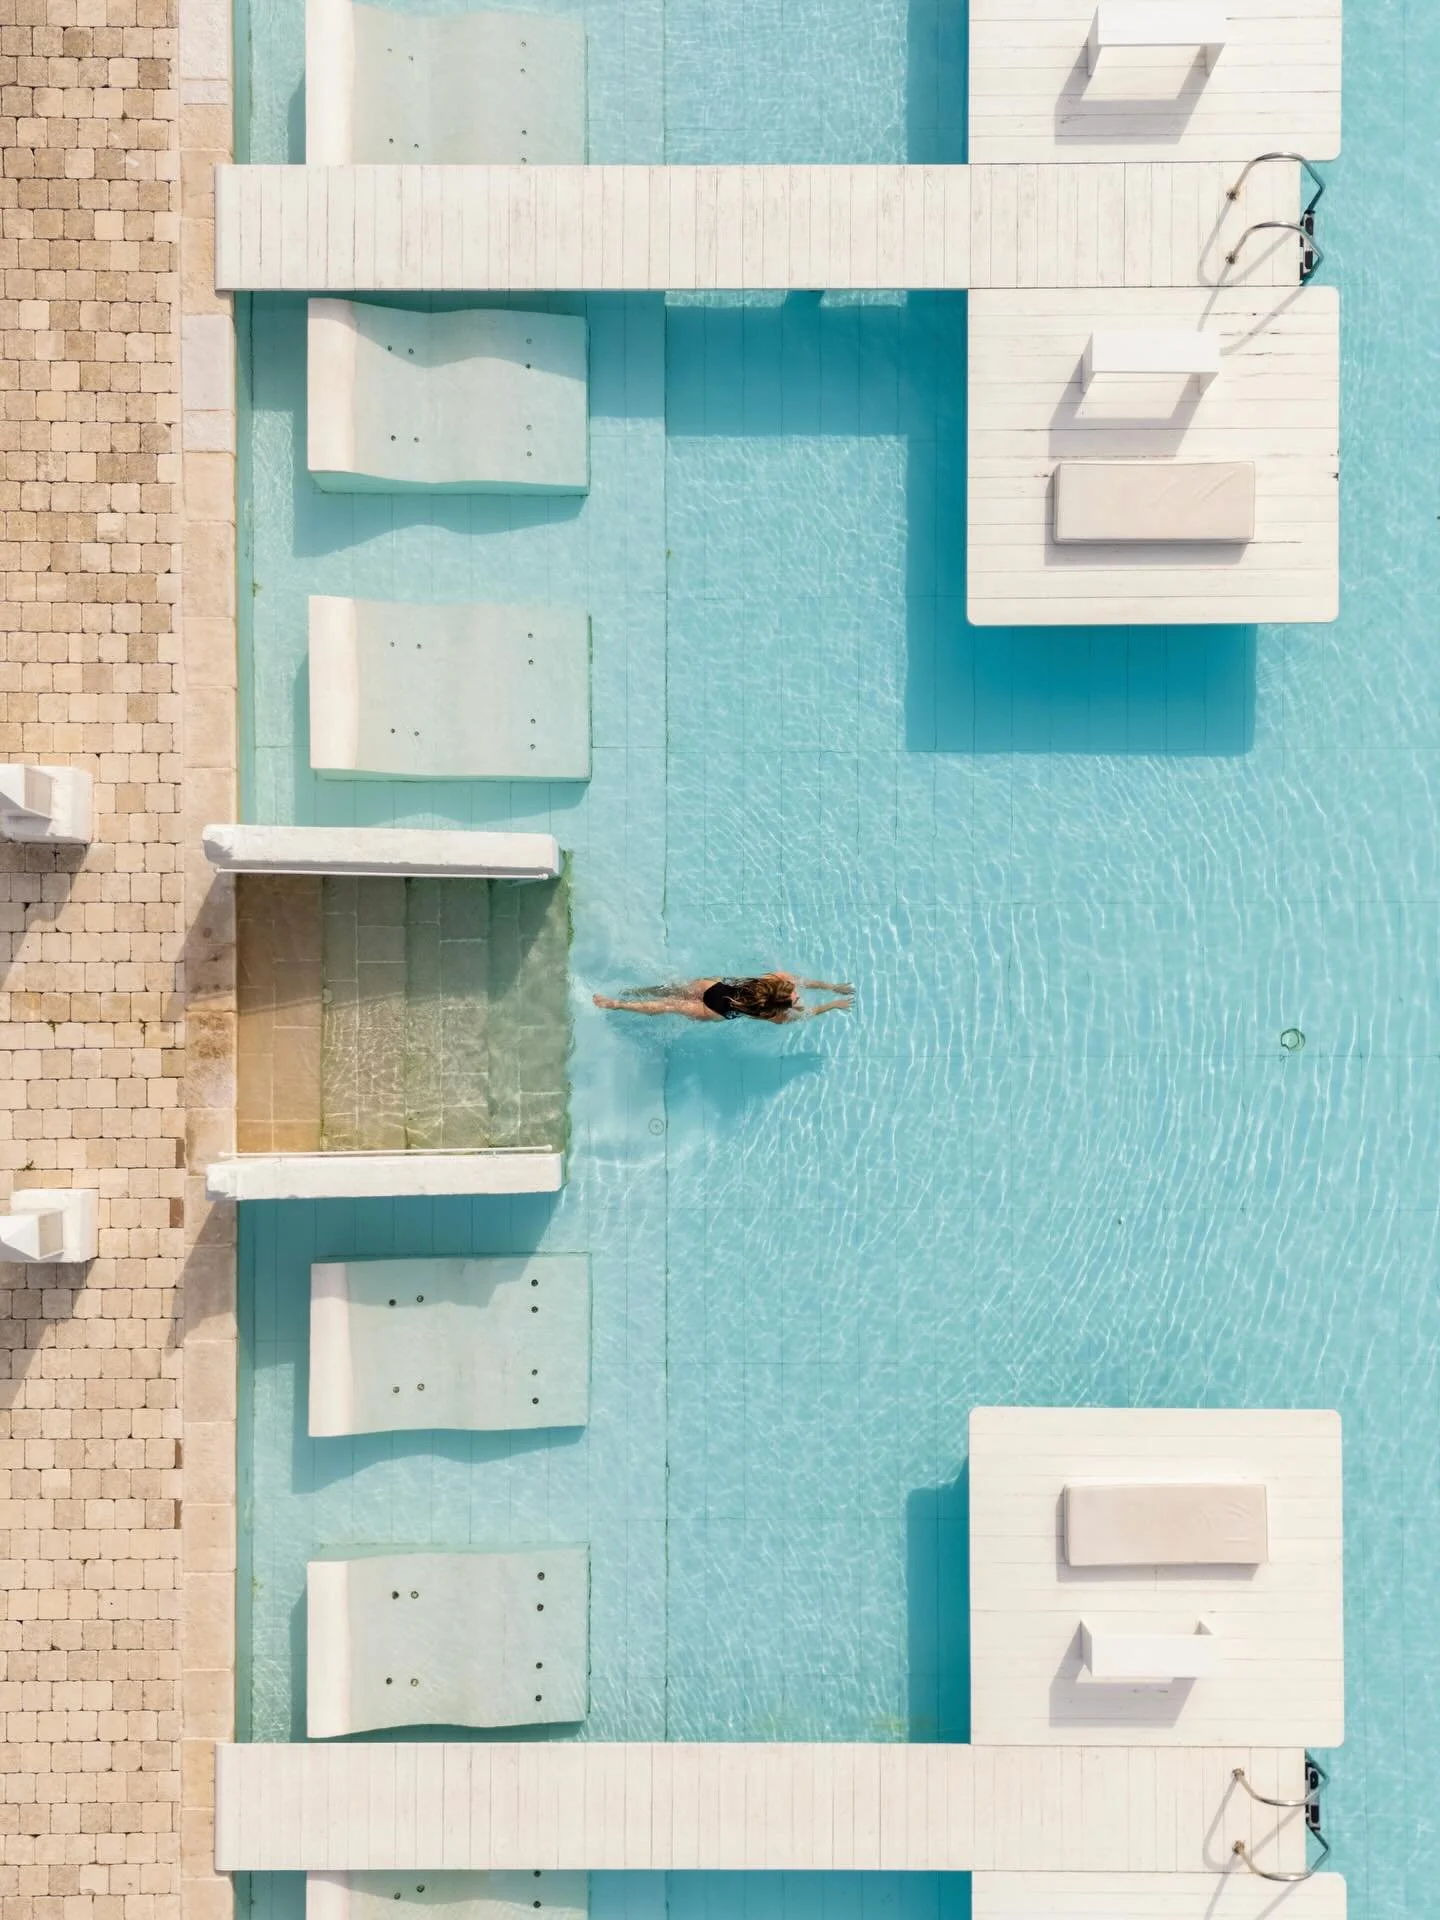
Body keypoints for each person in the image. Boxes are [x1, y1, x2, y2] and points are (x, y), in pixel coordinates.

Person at [594, 972, 853, 1023]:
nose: (798, 995)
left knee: (667, 998)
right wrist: (832, 1003)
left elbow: (804, 982)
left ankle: (624, 998)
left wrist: (832, 988)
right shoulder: (775, 1015)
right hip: (715, 1010)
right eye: (795, 997)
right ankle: (619, 1003)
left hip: (714, 988)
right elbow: (808, 1014)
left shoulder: (775, 980)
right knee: (667, 1002)